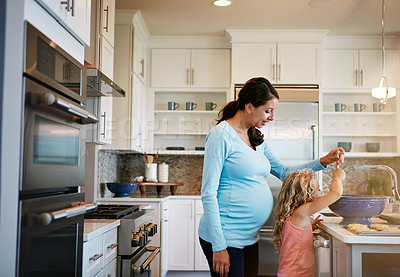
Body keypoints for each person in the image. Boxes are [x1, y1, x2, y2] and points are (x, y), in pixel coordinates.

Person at [198, 77, 345, 277]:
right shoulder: (221, 136)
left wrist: (322, 161)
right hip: (226, 238)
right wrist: (218, 246)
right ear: (249, 107)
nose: (272, 117)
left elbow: (285, 173)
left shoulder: (255, 138)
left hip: (250, 237)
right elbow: (208, 193)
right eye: (268, 110)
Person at [273, 168, 345, 277]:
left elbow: (295, 236)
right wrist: (337, 178)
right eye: (318, 189)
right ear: (306, 194)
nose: (321, 191)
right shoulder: (302, 211)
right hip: (296, 274)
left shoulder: (295, 214)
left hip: (289, 272)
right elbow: (336, 194)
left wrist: (309, 228)